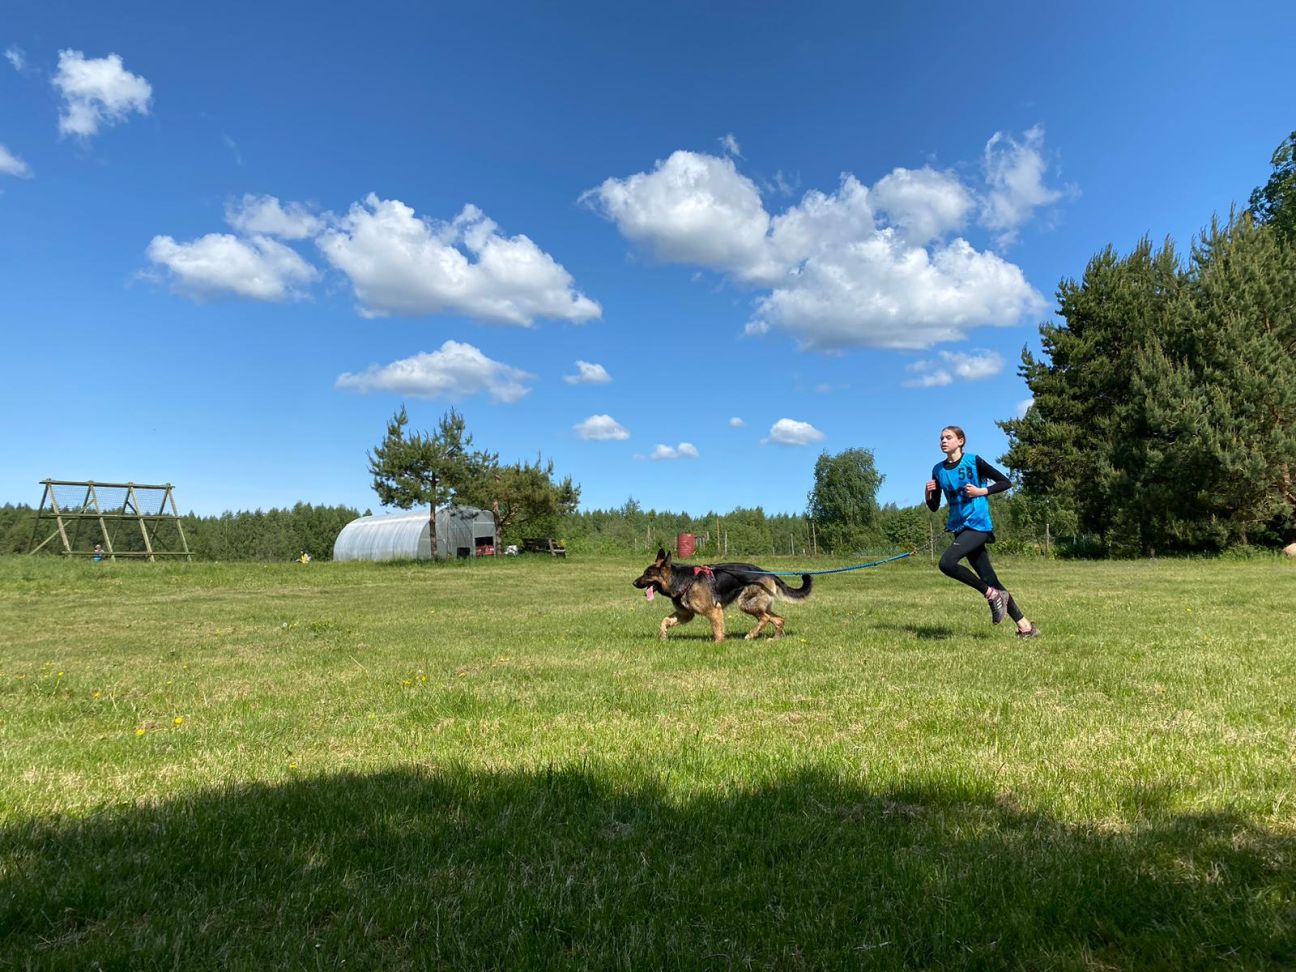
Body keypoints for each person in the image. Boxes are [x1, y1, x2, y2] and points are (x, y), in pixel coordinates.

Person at [925, 425, 1039, 638]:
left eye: (948, 437)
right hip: (959, 528)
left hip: (978, 526)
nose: (943, 441)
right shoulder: (938, 470)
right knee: (989, 578)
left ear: (960, 441)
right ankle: (1025, 627)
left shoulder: (973, 461)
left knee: (946, 563)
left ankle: (991, 595)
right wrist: (928, 494)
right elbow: (933, 506)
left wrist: (981, 491)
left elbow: (1005, 482)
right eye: (941, 438)